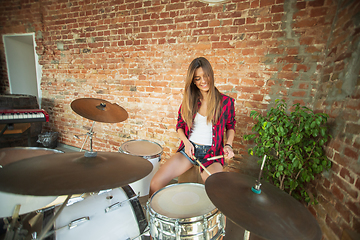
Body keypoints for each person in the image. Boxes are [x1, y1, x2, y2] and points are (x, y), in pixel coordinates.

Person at [149, 57, 236, 197]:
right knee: (155, 183)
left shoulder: (226, 102)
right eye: (197, 78)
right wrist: (186, 142)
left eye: (205, 75)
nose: (203, 81)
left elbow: (230, 126)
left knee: (219, 194)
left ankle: (219, 220)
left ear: (211, 74)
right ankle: (150, 217)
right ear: (193, 81)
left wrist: (228, 145)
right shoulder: (189, 101)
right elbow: (180, 125)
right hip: (189, 151)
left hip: (213, 154)